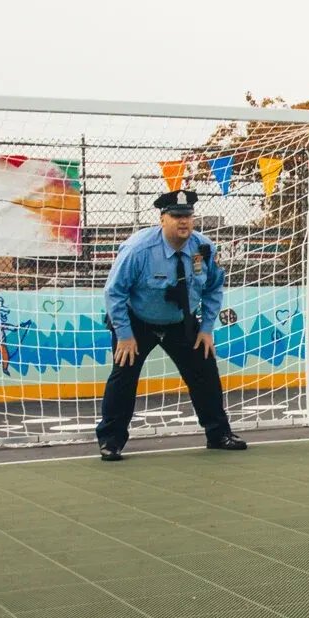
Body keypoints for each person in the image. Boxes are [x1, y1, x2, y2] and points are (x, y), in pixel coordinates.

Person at [96, 188, 247, 460]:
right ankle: (111, 440)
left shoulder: (203, 248)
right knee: (123, 378)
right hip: (137, 321)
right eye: (176, 216)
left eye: (188, 216)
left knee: (205, 372)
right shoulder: (138, 249)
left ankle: (219, 434)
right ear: (162, 219)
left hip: (181, 320)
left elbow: (213, 288)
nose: (183, 221)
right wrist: (125, 335)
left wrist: (206, 329)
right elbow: (114, 292)